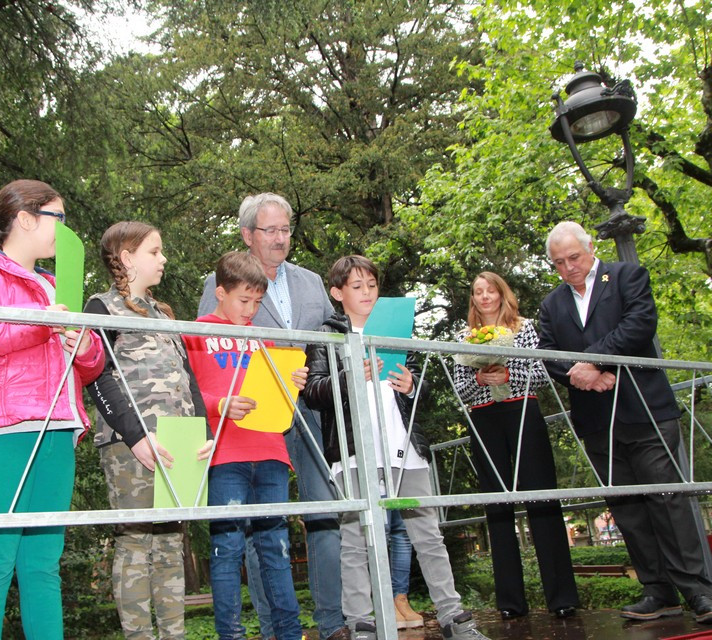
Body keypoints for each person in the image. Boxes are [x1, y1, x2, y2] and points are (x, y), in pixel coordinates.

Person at [0, 179, 104, 639]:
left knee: (43, 564)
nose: (65, 230)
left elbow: (90, 364)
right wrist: (39, 325)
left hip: (58, 426)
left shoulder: (55, 283)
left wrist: (85, 346)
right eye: (58, 218)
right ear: (26, 219)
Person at [303, 255, 490, 640]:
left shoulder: (395, 328)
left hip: (404, 447)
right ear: (337, 293)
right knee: (355, 539)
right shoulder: (326, 334)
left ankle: (454, 617)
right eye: (357, 286)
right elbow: (313, 391)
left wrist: (411, 384)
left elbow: (419, 384)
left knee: (428, 533)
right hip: (354, 451)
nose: (367, 293)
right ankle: (360, 622)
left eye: (372, 285)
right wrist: (349, 375)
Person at [538, 221, 712, 623]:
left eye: (574, 258)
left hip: (645, 411)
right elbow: (547, 354)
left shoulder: (627, 276)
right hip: (597, 420)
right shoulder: (552, 304)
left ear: (590, 248)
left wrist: (592, 362)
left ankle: (699, 591)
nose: (568, 268)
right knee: (627, 509)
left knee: (667, 502)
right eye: (559, 263)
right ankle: (658, 591)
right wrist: (584, 375)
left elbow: (639, 325)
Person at [198, 193, 347, 640]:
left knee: (324, 514)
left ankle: (331, 623)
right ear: (248, 235)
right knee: (251, 533)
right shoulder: (221, 282)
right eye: (271, 230)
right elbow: (206, 356)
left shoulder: (311, 281)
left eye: (286, 229)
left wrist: (318, 372)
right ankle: (267, 629)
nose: (281, 238)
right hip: (245, 428)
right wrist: (219, 407)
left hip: (309, 411)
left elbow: (330, 339)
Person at [84, 220, 208, 640]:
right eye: (154, 251)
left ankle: (174, 635)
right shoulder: (101, 307)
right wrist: (135, 436)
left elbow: (188, 380)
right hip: (130, 446)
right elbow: (97, 375)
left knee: (172, 544)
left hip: (178, 444)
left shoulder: (163, 313)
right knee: (136, 543)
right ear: (126, 258)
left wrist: (203, 434)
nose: (163, 259)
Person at [183, 251, 307, 640]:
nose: (251, 310)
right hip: (224, 454)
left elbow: (277, 398)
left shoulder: (264, 338)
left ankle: (290, 633)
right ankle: (231, 634)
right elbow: (183, 394)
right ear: (220, 292)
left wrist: (292, 384)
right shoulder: (194, 332)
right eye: (244, 300)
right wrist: (219, 405)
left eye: (257, 302)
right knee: (227, 551)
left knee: (277, 550)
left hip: (270, 451)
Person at [453, 271, 579, 620]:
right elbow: (461, 389)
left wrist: (509, 375)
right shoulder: (464, 337)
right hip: (483, 417)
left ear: (502, 293)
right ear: (473, 299)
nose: (484, 296)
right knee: (496, 504)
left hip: (523, 410)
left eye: (490, 290)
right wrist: (481, 378)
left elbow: (542, 373)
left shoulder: (524, 329)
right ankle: (510, 602)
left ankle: (562, 597)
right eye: (478, 291)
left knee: (542, 498)